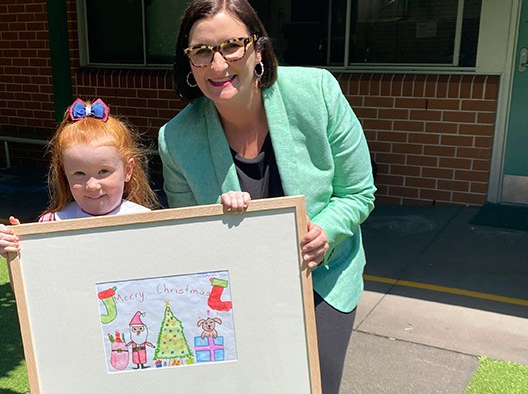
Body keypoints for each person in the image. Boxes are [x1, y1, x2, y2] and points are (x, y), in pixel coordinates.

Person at [158, 1, 376, 392]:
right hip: (235, 294)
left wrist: (326, 230)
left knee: (316, 386)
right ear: (188, 62)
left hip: (321, 280)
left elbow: (358, 193)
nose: (218, 64)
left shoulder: (317, 92)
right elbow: (185, 234)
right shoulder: (175, 139)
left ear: (258, 49)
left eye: (232, 45)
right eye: (202, 51)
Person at [0, 98, 160, 256]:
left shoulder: (148, 223)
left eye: (103, 171)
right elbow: (34, 281)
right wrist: (16, 249)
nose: (92, 186)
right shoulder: (51, 224)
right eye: (79, 173)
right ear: (64, 174)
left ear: (128, 170)